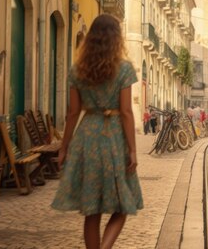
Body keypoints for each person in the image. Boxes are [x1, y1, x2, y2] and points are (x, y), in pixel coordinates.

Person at [51, 14, 143, 249]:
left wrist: (64, 147)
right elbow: (125, 112)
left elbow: (72, 113)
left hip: (87, 136)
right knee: (123, 204)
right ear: (116, 39)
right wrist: (133, 150)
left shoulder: (77, 69)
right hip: (114, 136)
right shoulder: (124, 69)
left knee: (91, 211)